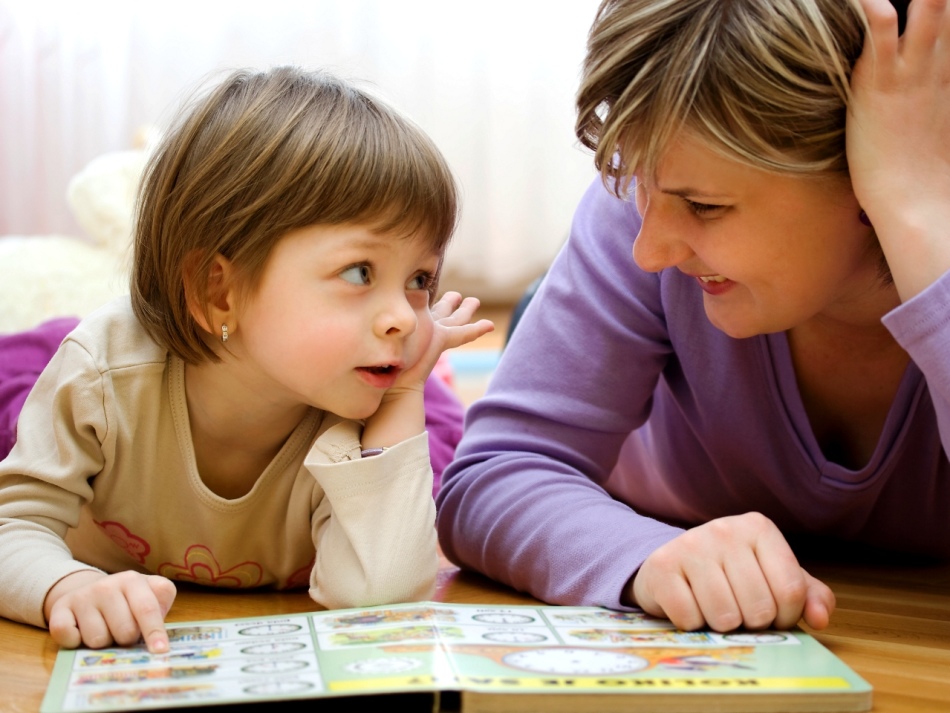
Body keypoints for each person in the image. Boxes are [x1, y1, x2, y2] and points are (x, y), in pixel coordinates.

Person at [437, 0, 950, 634]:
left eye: (705, 206)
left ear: (873, 177)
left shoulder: (919, 198)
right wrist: (643, 556)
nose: (648, 251)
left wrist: (920, 218)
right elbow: (492, 479)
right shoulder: (632, 221)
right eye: (639, 182)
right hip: (630, 473)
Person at [0, 66, 493, 653]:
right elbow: (15, 525)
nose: (406, 317)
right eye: (360, 272)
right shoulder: (104, 377)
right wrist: (66, 585)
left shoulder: (360, 407)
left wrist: (407, 393)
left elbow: (378, 595)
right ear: (220, 291)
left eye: (420, 279)